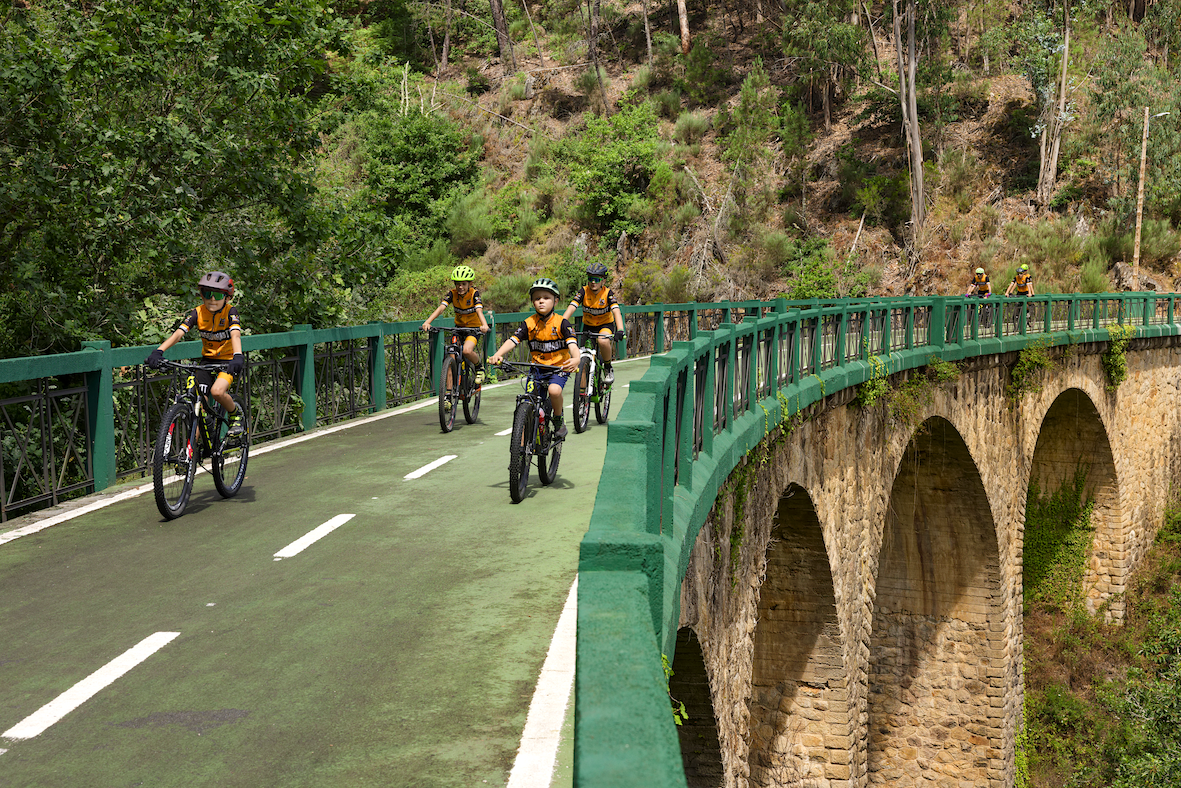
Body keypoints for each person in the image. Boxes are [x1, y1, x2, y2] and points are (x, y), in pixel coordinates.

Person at [145, 271, 246, 435]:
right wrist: (159, 351)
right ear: (201, 295)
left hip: (227, 362)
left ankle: (235, 415)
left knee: (217, 392)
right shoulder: (197, 312)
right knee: (198, 406)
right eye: (207, 294)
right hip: (207, 361)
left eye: (218, 295)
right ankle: (191, 454)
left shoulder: (230, 312)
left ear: (227, 297)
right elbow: (178, 333)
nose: (212, 299)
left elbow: (235, 334)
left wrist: (238, 355)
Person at [488, 278, 580, 440]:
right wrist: (498, 354)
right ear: (532, 302)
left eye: (546, 298)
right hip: (537, 369)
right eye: (537, 298)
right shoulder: (529, 323)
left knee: (554, 390)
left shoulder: (562, 323)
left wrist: (576, 358)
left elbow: (572, 344)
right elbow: (513, 340)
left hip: (558, 369)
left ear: (556, 301)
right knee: (527, 403)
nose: (541, 301)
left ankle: (558, 420)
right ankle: (519, 455)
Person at [422, 265, 491, 385]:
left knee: (466, 351)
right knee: (450, 357)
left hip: (473, 329)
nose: (460, 287)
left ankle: (479, 367)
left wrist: (484, 325)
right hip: (459, 329)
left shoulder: (474, 294)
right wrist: (428, 322)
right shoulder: (452, 294)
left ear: (470, 283)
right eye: (457, 284)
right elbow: (441, 308)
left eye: (464, 284)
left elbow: (479, 310)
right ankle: (448, 396)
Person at [561, 261, 626, 386]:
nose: (593, 282)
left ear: (603, 281)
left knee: (603, 341)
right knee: (580, 359)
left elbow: (616, 312)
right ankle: (582, 397)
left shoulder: (608, 294)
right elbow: (572, 307)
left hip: (605, 325)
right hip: (588, 326)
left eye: (597, 279)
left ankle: (607, 367)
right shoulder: (583, 291)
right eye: (590, 279)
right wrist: (561, 324)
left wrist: (620, 329)